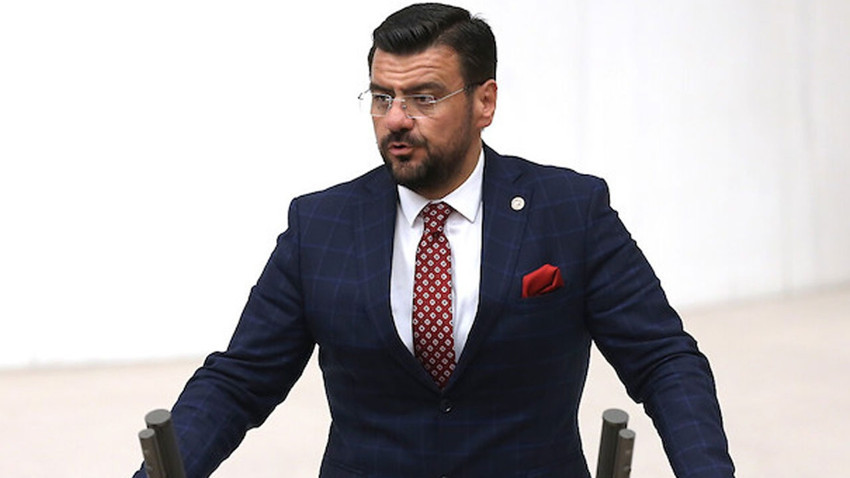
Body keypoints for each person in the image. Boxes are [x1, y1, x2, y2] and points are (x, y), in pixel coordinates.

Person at [133, 3, 735, 477]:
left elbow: (663, 360)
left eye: (423, 97)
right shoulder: (320, 225)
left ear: (484, 101)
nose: (396, 118)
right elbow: (240, 381)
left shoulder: (570, 210)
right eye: (382, 96)